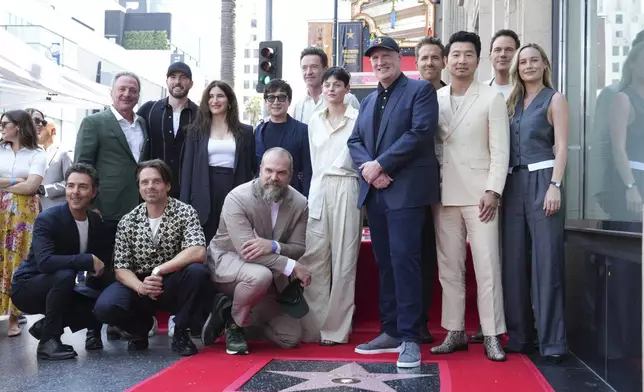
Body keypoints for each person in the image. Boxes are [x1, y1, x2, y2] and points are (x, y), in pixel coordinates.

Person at [347, 36, 440, 368]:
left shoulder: (420, 91)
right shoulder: (369, 101)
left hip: (407, 192)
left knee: (406, 263)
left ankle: (411, 338)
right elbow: (354, 140)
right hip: (377, 194)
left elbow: (419, 133)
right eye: (374, 58)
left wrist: (381, 165)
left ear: (399, 58)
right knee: (386, 264)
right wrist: (371, 172)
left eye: (385, 55)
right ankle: (390, 331)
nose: (380, 61)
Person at [429, 31, 509, 361]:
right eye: (456, 55)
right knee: (449, 267)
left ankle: (491, 333)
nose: (461, 61)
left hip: (480, 195)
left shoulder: (491, 98)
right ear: (446, 61)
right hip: (443, 192)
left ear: (479, 60)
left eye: (468, 55)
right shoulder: (433, 98)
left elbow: (500, 149)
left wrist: (494, 190)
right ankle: (455, 330)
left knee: (487, 265)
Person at [93, 159, 213, 356]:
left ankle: (181, 332)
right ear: (139, 187)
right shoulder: (128, 221)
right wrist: (141, 287)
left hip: (172, 281)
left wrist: (160, 270)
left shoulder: (185, 212)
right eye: (144, 182)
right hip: (139, 284)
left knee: (198, 273)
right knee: (105, 307)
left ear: (167, 185)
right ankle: (139, 328)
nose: (150, 186)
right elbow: (121, 268)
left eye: (156, 181)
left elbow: (198, 251)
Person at [207, 148, 312, 355]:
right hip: (229, 264)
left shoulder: (300, 203)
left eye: (281, 173)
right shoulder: (237, 198)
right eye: (269, 171)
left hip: (268, 277)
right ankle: (235, 326)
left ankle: (230, 312)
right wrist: (292, 266)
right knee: (259, 275)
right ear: (260, 169)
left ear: (290, 175)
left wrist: (273, 245)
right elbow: (248, 252)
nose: (274, 177)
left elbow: (299, 248)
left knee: (290, 338)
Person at [502, 43, 570, 364]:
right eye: (523, 61)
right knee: (513, 261)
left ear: (544, 64)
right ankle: (519, 336)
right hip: (512, 184)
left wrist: (555, 185)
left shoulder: (554, 99)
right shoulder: (512, 102)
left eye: (534, 60)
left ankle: (553, 341)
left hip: (544, 181)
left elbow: (562, 147)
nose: (528, 65)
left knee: (546, 261)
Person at [11, 163, 109, 360]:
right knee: (64, 275)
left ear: (94, 191)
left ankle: (48, 325)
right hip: (28, 287)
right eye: (71, 185)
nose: (75, 192)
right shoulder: (48, 218)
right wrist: (87, 260)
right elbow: (45, 262)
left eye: (82, 187)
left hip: (64, 286)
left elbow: (100, 263)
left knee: (101, 300)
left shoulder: (96, 220)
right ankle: (48, 342)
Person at [298, 67, 361, 346]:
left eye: (338, 84)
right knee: (314, 257)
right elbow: (314, 159)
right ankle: (314, 326)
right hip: (319, 188)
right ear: (322, 89)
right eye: (328, 85)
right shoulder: (314, 120)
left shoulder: (358, 118)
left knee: (344, 261)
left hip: (347, 186)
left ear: (348, 89)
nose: (332, 89)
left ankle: (337, 330)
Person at [180, 80, 256, 243]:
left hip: (234, 188)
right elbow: (187, 170)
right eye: (211, 96)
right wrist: (184, 205)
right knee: (204, 241)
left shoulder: (246, 132)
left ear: (229, 101)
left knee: (231, 239)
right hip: (204, 190)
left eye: (220, 96)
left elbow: (251, 168)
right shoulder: (195, 131)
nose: (215, 101)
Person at [0, 110, 46, 337]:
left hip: (23, 215)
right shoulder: (0, 149)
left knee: (19, 260)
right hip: (1, 211)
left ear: (18, 126)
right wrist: (14, 181)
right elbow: (25, 184)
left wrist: (4, 186)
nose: (2, 128)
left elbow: (31, 187)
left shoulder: (37, 153)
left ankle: (14, 318)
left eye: (5, 124)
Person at [414, 36, 447, 344]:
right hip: (418, 189)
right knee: (421, 254)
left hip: (454, 185)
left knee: (450, 256)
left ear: (444, 62)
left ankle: (457, 323)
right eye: (424, 58)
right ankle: (419, 320)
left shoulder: (453, 96)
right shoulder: (407, 96)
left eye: (434, 57)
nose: (429, 63)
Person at [138, 62, 198, 199]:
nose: (178, 82)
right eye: (173, 77)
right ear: (167, 81)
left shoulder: (201, 115)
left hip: (187, 191)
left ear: (191, 83)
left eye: (183, 77)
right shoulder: (149, 110)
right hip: (152, 191)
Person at [254, 79, 312, 197]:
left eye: (281, 97)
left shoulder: (303, 130)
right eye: (271, 98)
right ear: (266, 102)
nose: (276, 102)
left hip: (292, 195)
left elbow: (308, 169)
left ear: (289, 101)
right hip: (262, 194)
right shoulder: (259, 131)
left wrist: (306, 198)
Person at [291, 46, 360, 124]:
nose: (308, 72)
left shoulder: (347, 99)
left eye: (314, 67)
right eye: (304, 68)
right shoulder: (298, 104)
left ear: (325, 69)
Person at [37, 118, 74, 210]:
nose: (37, 132)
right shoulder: (36, 153)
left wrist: (45, 189)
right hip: (36, 208)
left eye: (41, 129)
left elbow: (70, 183)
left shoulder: (64, 152)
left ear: (53, 131)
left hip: (56, 207)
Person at [484, 29, 520, 99]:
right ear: (490, 56)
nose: (503, 54)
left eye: (509, 50)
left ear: (518, 55)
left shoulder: (527, 92)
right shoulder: (480, 91)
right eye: (497, 50)